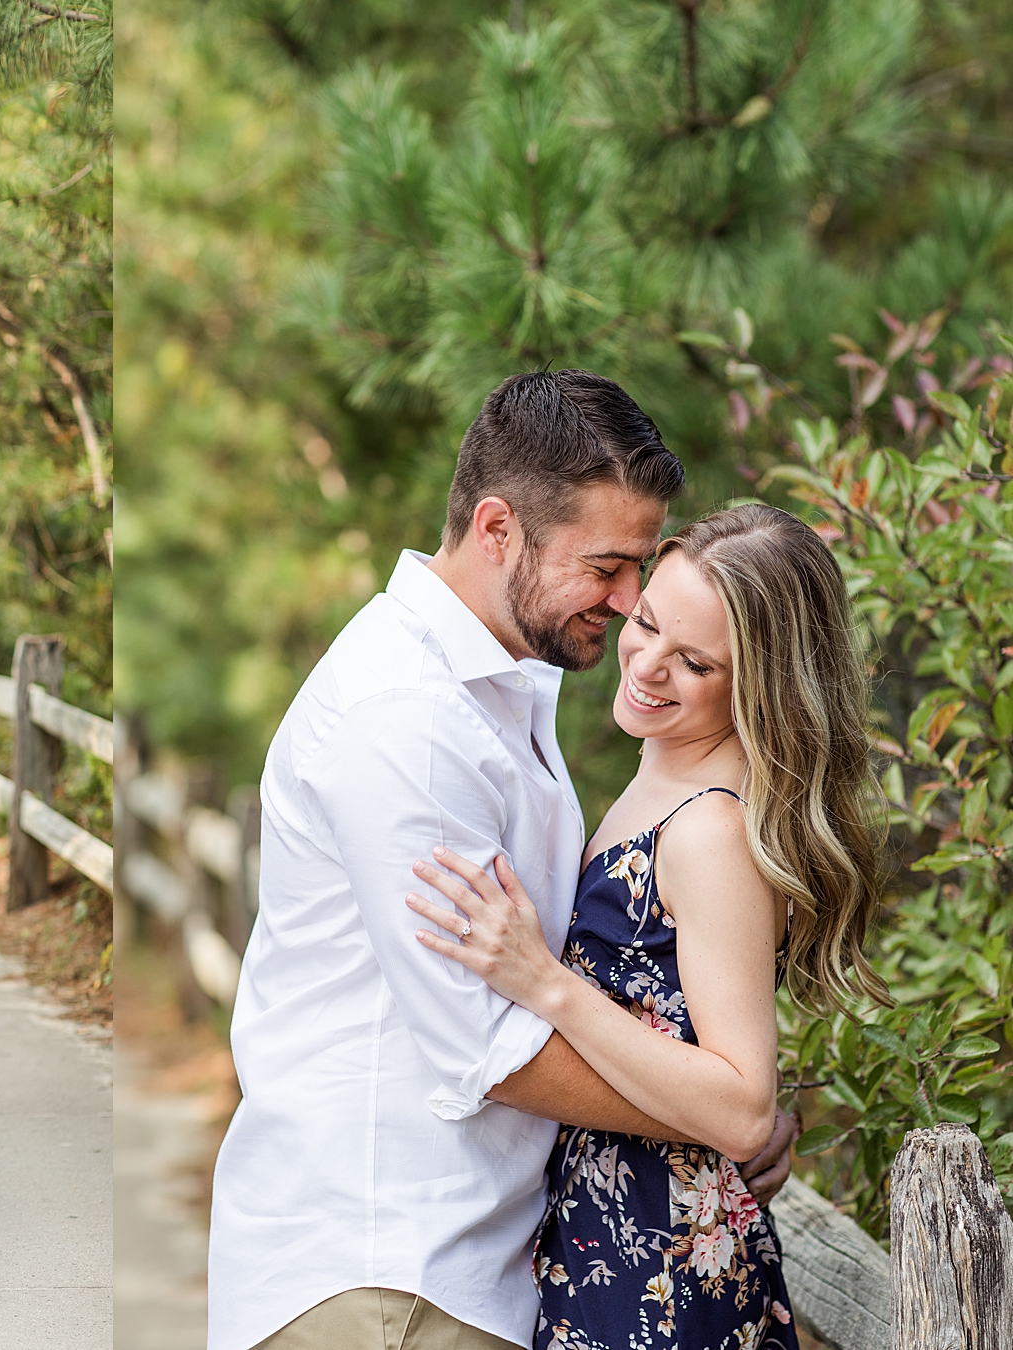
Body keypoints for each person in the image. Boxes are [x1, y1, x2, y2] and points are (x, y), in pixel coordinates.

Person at [207, 370, 797, 1350]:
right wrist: (720, 1119)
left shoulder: (494, 684)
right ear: (497, 529)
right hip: (387, 1270)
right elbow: (489, 1048)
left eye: (638, 568)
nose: (628, 602)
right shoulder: (409, 719)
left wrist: (731, 1093)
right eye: (607, 566)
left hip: (466, 1261)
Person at [408, 503, 882, 1350]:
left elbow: (740, 1108)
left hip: (659, 1277)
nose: (647, 666)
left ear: (759, 688)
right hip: (608, 1241)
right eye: (650, 623)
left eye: (695, 662)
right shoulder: (664, 780)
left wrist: (546, 985)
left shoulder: (708, 829)